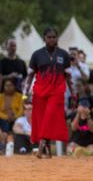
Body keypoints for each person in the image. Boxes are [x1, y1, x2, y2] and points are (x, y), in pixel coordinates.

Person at [22, 27, 74, 159]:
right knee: (42, 120)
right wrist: (24, 93)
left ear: (57, 38)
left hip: (57, 91)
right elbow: (29, 75)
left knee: (50, 117)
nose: (51, 39)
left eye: (54, 37)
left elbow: (68, 77)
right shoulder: (36, 55)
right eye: (49, 37)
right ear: (43, 38)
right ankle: (48, 150)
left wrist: (73, 94)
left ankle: (40, 148)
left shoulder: (63, 54)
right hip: (40, 91)